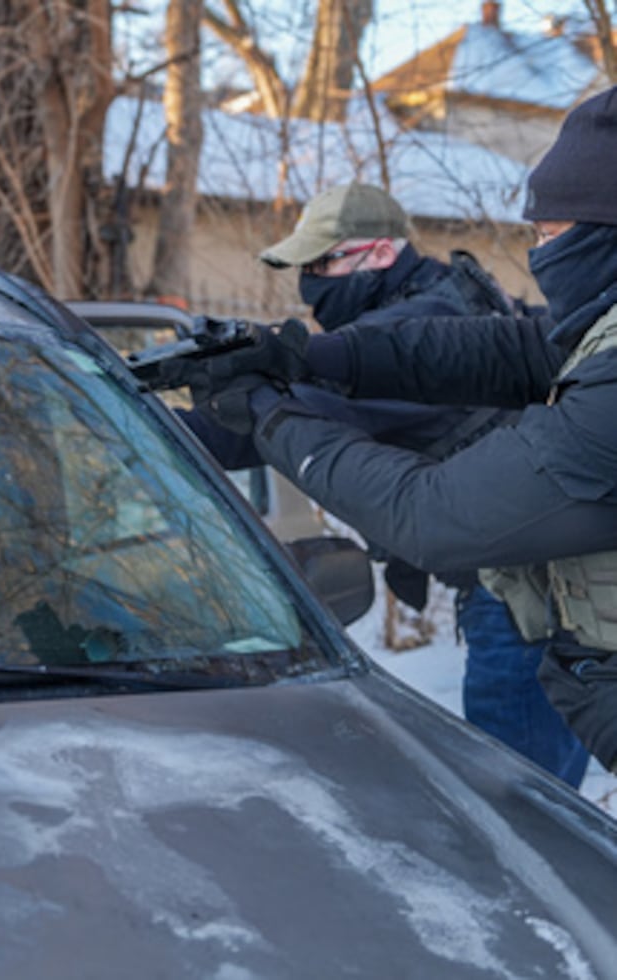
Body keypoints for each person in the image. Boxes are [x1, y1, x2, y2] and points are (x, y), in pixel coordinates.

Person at [184, 86, 617, 775]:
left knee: (524, 812)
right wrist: (302, 351)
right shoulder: (590, 330)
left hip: (518, 587)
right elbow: (505, 351)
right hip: (543, 603)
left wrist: (263, 408)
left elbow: (432, 514)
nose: (309, 283)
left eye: (550, 235)